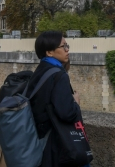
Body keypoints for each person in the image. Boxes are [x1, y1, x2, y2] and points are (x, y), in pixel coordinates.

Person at [26, 31, 82, 167]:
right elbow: (67, 113)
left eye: (67, 45)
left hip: (37, 142)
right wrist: (75, 102)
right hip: (53, 147)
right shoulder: (59, 75)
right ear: (49, 52)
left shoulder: (41, 70)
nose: (67, 50)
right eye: (63, 46)